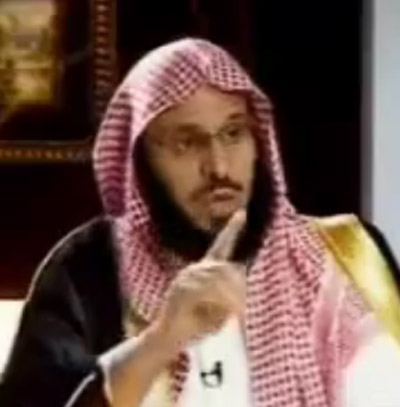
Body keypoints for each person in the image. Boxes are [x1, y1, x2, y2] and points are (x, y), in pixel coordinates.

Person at [0, 38, 399, 407]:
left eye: (234, 133)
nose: (219, 167)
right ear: (140, 164)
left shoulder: (342, 259)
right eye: (186, 143)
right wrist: (160, 341)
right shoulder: (88, 271)